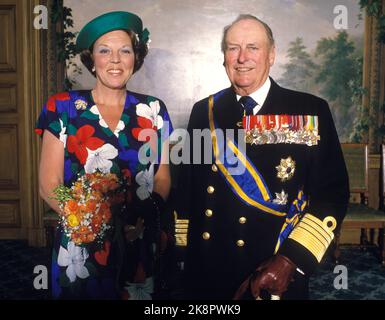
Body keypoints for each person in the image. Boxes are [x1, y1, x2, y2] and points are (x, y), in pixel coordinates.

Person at [175, 14, 349, 300]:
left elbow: (331, 195)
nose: (242, 57)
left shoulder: (310, 110)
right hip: (208, 272)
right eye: (233, 48)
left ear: (272, 55)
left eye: (253, 47)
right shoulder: (202, 111)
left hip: (275, 272)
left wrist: (292, 259)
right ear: (224, 57)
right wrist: (181, 255)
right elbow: (188, 194)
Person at [36, 11, 173, 299]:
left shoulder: (154, 110)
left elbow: (161, 177)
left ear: (135, 58)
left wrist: (149, 214)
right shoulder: (63, 107)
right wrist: (86, 220)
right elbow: (49, 184)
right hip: (79, 246)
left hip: (138, 240)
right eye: (104, 51)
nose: (115, 59)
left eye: (124, 50)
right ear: (92, 60)